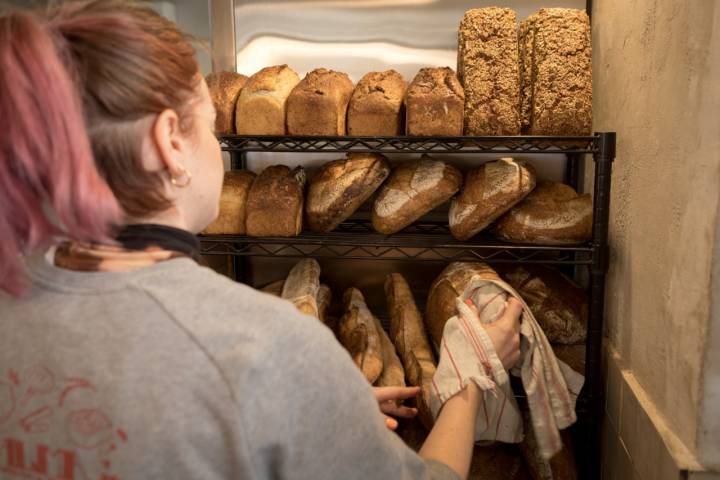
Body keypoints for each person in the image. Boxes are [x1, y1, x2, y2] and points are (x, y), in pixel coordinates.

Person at [0, 2, 522, 479]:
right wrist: (470, 372)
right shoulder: (266, 347)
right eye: (209, 125)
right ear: (169, 142)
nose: (219, 146)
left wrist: (318, 406)